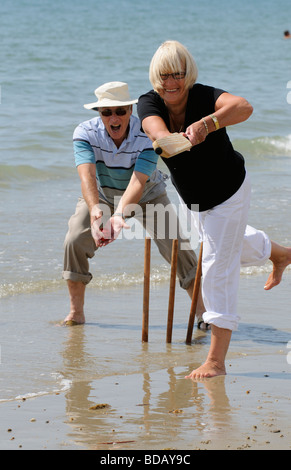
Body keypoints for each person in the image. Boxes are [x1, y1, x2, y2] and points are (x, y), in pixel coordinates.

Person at [137, 40, 291, 379]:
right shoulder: (148, 101)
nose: (171, 82)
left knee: (216, 265)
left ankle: (216, 361)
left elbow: (244, 107)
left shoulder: (204, 96)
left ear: (188, 74)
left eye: (177, 74)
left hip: (229, 190)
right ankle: (279, 253)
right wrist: (171, 139)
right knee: (224, 246)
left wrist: (208, 124)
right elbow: (156, 131)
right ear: (155, 77)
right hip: (193, 198)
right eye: (164, 75)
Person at [62, 81, 203, 327]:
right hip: (103, 194)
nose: (114, 118)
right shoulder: (84, 133)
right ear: (99, 114)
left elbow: (138, 182)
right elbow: (87, 177)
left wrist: (118, 217)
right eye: (107, 112)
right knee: (74, 239)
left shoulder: (146, 134)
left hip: (148, 193)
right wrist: (96, 210)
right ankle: (76, 313)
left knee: (178, 248)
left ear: (130, 110)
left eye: (120, 111)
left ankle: (203, 314)